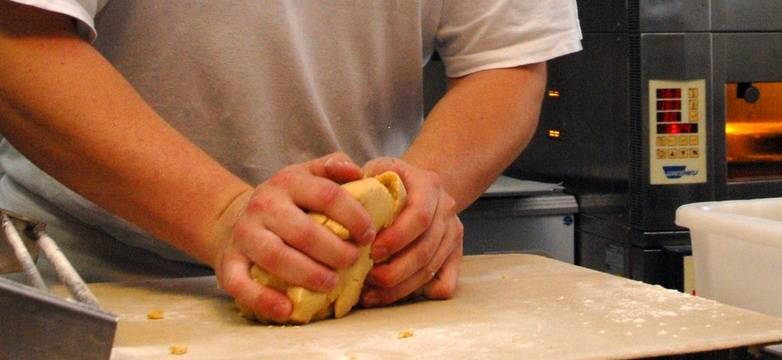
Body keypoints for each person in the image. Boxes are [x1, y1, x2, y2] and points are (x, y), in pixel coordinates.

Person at [0, 0, 582, 322]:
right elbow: (18, 39)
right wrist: (223, 214)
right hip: (84, 288)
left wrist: (418, 199)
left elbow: (506, 64)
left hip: (355, 298)